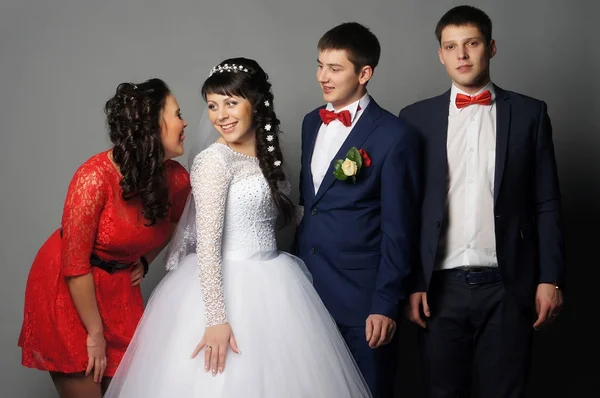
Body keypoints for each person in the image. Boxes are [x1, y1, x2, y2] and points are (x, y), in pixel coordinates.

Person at [103, 57, 372, 398]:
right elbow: (208, 246)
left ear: (255, 103)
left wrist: (346, 206)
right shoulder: (213, 161)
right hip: (226, 288)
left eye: (231, 103)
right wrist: (216, 320)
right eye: (213, 105)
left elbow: (279, 216)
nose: (221, 115)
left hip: (275, 281)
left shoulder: (265, 153)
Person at [398, 6, 565, 398]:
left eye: (471, 44)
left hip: (508, 285)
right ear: (440, 54)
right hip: (439, 288)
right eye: (451, 46)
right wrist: (412, 283)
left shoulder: (529, 113)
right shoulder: (414, 118)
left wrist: (550, 277)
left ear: (490, 47)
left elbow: (547, 202)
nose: (462, 55)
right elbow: (406, 209)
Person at [18, 78, 192, 398]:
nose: (185, 122)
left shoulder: (177, 178)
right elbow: (74, 264)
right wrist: (95, 333)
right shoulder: (94, 176)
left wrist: (143, 260)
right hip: (70, 288)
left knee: (132, 387)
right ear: (152, 124)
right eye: (177, 114)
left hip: (119, 289)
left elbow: (176, 222)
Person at [294, 22, 422, 398]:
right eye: (320, 65)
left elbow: (401, 228)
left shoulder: (396, 135)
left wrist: (384, 304)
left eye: (335, 69)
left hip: (363, 299)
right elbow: (310, 207)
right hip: (307, 293)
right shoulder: (310, 123)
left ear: (364, 73)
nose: (322, 77)